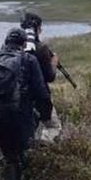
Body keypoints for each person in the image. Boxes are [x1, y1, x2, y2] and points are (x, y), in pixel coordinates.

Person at [0, 28, 52, 180]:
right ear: (23, 44)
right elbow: (41, 92)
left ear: (6, 41)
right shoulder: (28, 59)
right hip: (21, 114)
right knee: (26, 152)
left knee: (9, 156)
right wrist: (45, 115)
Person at [22, 12, 62, 142]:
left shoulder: (14, 47)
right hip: (40, 97)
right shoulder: (41, 48)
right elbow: (50, 77)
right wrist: (54, 63)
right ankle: (44, 154)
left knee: (26, 130)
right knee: (53, 127)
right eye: (40, 27)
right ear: (37, 29)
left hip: (17, 97)